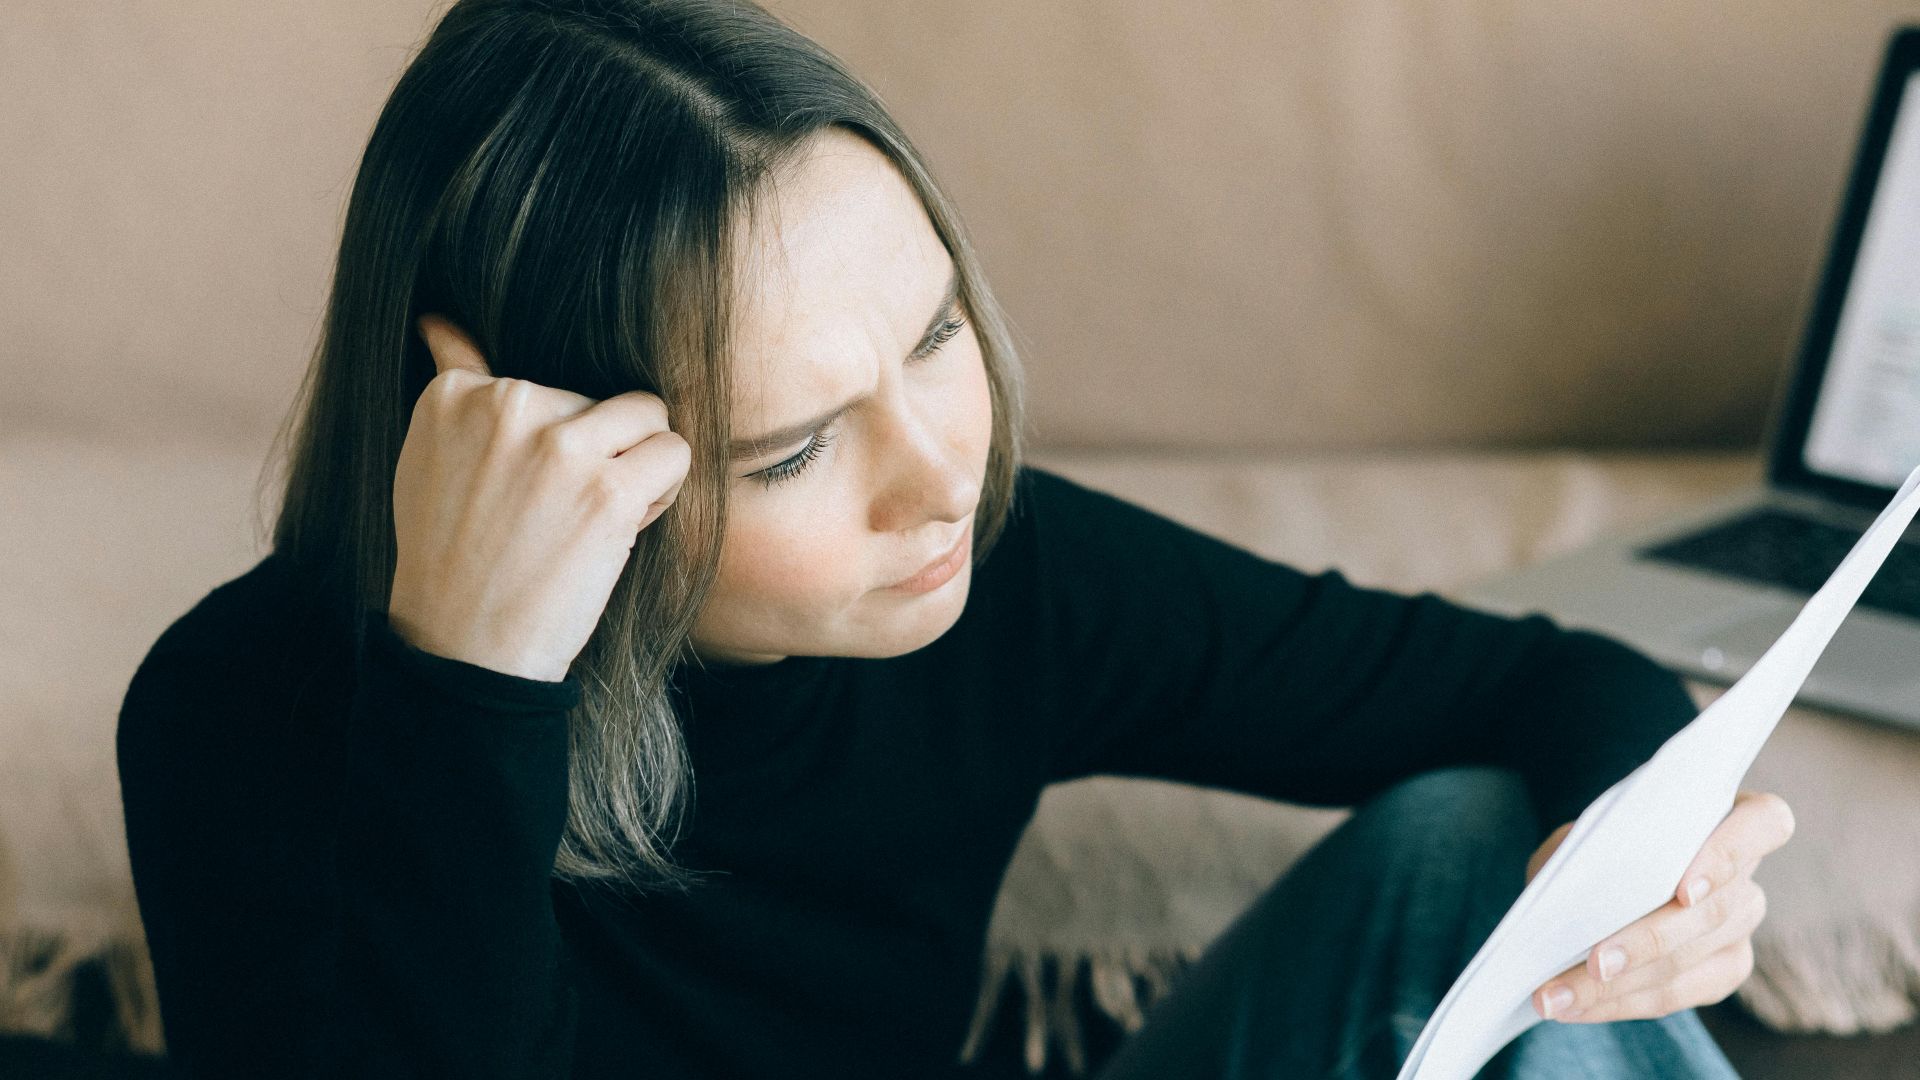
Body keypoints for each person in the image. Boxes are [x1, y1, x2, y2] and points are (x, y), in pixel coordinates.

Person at [114, 1, 1794, 1077]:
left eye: (932, 339)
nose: (939, 477)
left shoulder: (994, 571)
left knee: (1475, 848)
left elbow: (1544, 685)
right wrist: (473, 690)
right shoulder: (238, 717)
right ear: (544, 453)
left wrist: (1668, 867)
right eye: (788, 450)